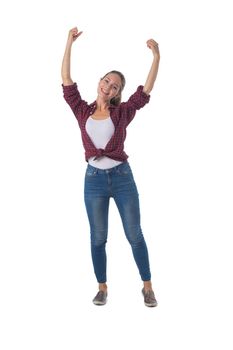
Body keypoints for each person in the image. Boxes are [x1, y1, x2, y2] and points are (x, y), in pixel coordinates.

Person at [61, 27, 160, 307]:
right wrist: (69, 43)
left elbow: (146, 90)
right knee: (98, 238)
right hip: (93, 180)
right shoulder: (82, 109)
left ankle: (147, 286)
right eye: (106, 81)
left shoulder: (123, 112)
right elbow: (66, 79)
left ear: (118, 93)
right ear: (100, 82)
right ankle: (102, 287)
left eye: (115, 86)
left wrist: (156, 57)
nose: (109, 86)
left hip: (122, 177)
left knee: (134, 234)